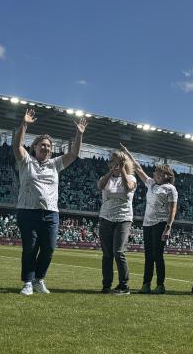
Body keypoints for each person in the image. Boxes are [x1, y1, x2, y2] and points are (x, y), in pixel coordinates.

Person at [13, 108, 87, 295]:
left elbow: (74, 154)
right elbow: (16, 145)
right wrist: (24, 124)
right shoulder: (26, 162)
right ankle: (28, 283)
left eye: (48, 146)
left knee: (49, 248)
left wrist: (78, 134)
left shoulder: (55, 164)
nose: (45, 148)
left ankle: (39, 280)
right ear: (35, 147)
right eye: (42, 145)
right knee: (29, 248)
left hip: (50, 213)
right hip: (27, 211)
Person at [121, 146, 178, 295]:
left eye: (157, 171)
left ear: (165, 174)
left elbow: (172, 209)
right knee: (148, 256)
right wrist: (128, 154)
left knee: (157, 255)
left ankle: (160, 285)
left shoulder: (170, 188)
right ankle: (146, 284)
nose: (154, 173)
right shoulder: (151, 184)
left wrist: (168, 227)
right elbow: (138, 169)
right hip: (147, 224)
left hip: (160, 224)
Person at [97, 150, 137, 295]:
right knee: (107, 254)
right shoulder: (106, 178)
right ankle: (106, 285)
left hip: (123, 218)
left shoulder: (131, 177)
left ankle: (124, 285)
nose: (116, 165)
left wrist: (123, 171)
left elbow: (129, 187)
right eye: (113, 162)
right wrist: (110, 173)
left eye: (119, 162)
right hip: (106, 218)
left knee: (118, 252)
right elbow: (100, 186)